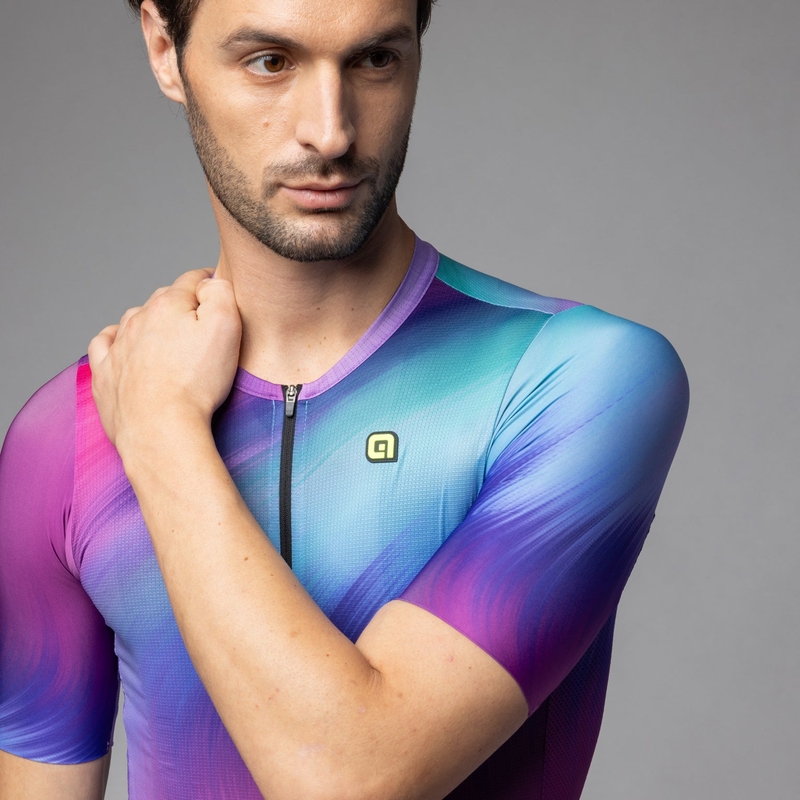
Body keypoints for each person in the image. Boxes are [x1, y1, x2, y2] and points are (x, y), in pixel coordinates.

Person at [0, 0, 689, 797]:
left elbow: (352, 780)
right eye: (270, 62)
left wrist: (162, 433)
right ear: (164, 47)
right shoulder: (62, 440)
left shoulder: (574, 379)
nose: (330, 133)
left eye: (374, 60)